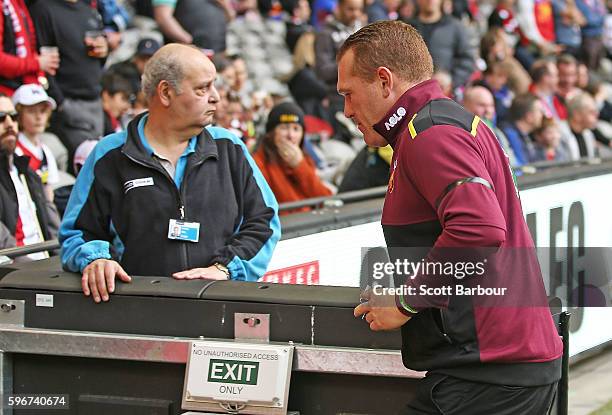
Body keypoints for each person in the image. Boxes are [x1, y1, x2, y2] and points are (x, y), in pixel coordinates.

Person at [339, 21, 562, 413]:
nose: (347, 110)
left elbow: (478, 228)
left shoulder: (431, 132)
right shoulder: (437, 124)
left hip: (491, 372)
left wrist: (407, 301)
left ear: (384, 81)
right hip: (494, 366)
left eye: (349, 94)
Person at [59, 44, 280, 304]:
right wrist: (96, 259)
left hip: (219, 307)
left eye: (214, 86)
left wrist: (225, 269)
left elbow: (264, 221)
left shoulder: (229, 147)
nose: (216, 97)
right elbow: (77, 233)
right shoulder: (108, 155)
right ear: (165, 92)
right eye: (202, 88)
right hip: (137, 314)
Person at [30, 0, 110, 168]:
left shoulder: (88, 9)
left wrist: (104, 50)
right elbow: (42, 61)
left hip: (95, 101)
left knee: (99, 167)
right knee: (89, 167)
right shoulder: (44, 9)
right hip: (68, 103)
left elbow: (97, 59)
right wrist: (60, 103)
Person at [0, 94, 59, 257]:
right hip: (14, 271)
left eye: (13, 117)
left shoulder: (26, 171)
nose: (9, 124)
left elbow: (51, 223)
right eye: (1, 118)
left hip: (43, 264)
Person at [253, 102, 332, 212]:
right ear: (271, 133)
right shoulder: (258, 164)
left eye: (296, 129)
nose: (291, 135)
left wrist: (300, 166)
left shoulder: (304, 159)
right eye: (284, 128)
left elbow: (326, 199)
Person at [406, 0, 475, 89]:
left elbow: (467, 60)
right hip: (413, 89)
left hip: (444, 91)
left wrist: (452, 81)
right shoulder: (407, 27)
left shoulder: (455, 27)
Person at [11, 84, 61, 202]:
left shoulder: (45, 151)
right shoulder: (14, 150)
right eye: (31, 111)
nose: (39, 117)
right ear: (18, 115)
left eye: (43, 111)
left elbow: (49, 192)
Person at [0, 0, 60, 96]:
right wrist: (37, 63)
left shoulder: (19, 3)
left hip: (29, 92)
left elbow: (30, 47)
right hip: (7, 97)